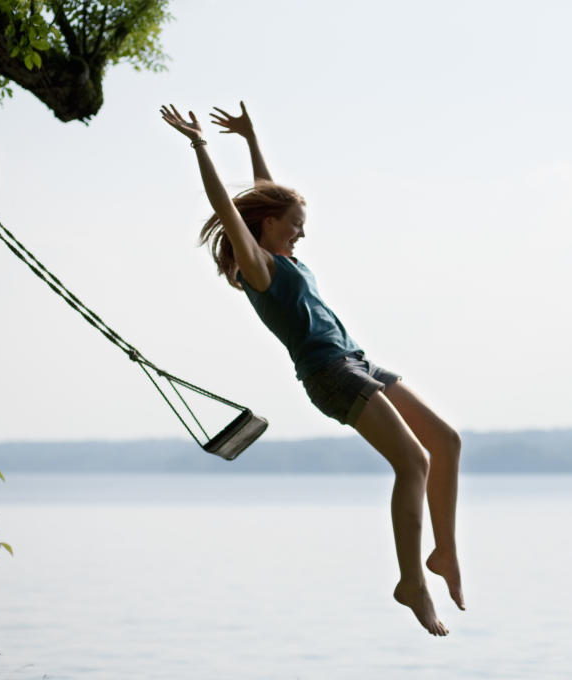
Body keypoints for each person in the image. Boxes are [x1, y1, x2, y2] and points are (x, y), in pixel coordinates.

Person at [160, 102, 464, 636]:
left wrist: (251, 138)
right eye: (295, 226)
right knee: (412, 462)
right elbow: (232, 208)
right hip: (329, 373)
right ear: (269, 228)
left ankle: (445, 553)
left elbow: (266, 195)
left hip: (358, 360)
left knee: (446, 440)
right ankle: (411, 581)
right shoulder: (260, 266)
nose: (301, 234)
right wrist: (201, 146)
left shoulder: (285, 250)